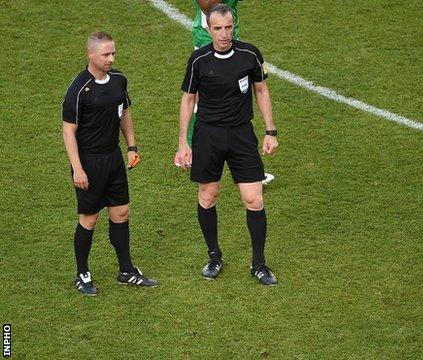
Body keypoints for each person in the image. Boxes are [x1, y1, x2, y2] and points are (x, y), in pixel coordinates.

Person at [175, 4, 278, 286]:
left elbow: (261, 90)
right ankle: (214, 256)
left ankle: (259, 264)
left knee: (254, 200)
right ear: (208, 29)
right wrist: (183, 141)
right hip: (208, 135)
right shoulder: (199, 60)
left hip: (242, 134)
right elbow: (188, 99)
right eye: (217, 28)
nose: (223, 34)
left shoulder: (249, 53)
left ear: (234, 26)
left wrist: (270, 131)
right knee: (208, 197)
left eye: (228, 28)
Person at [62, 31, 158, 296]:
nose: (111, 58)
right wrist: (78, 168)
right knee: (89, 218)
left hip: (113, 157)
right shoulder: (79, 88)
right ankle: (82, 273)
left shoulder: (119, 81)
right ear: (90, 54)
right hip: (89, 161)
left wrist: (131, 147)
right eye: (105, 54)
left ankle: (126, 270)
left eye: (113, 53)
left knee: (121, 212)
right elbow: (68, 131)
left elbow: (124, 112)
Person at [175, 0, 275, 185]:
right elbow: (206, 5)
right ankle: (190, 152)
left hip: (224, 29)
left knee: (225, 95)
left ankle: (242, 166)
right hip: (208, 35)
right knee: (205, 98)